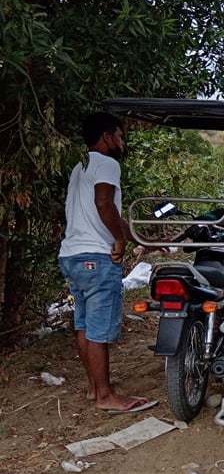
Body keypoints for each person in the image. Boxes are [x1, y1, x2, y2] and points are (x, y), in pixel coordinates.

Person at [59, 112, 158, 415]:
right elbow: (104, 204)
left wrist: (142, 238)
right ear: (106, 136)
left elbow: (108, 213)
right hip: (96, 258)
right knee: (99, 330)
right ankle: (106, 394)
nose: (122, 142)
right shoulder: (107, 164)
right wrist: (119, 240)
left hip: (72, 255)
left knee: (85, 324)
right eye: (119, 135)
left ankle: (93, 387)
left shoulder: (80, 166)